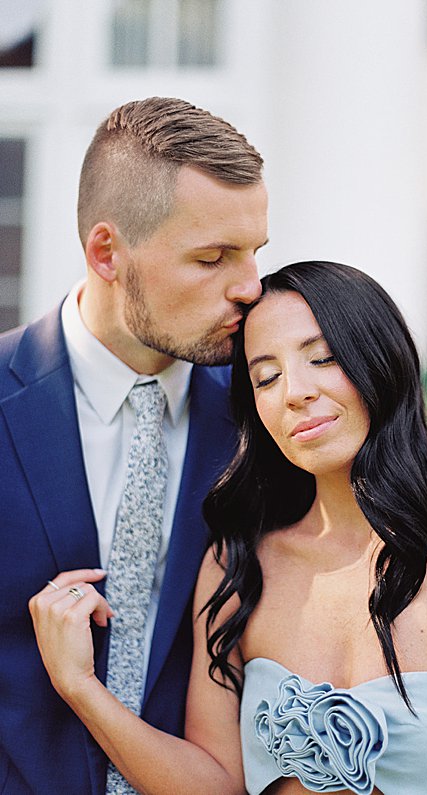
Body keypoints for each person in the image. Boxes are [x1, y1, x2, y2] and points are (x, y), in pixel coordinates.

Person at [30, 261, 427, 794]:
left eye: (322, 359)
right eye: (265, 377)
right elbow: (214, 785)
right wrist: (80, 687)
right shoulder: (238, 565)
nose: (294, 391)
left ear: (380, 361)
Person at [3, 97, 266, 793]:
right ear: (106, 252)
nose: (250, 287)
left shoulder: (267, 419)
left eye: (253, 253)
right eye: (212, 257)